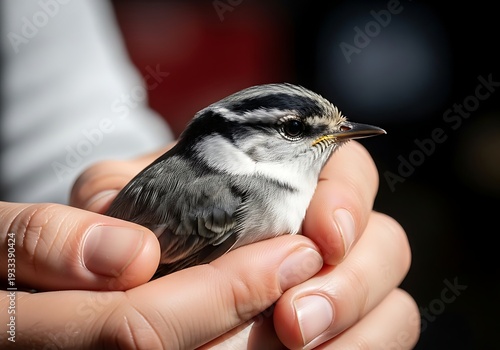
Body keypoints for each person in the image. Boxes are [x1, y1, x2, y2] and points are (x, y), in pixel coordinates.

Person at [1, 1, 420, 349]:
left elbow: (55, 132)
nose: (335, 138)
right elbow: (113, 298)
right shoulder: (228, 196)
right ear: (233, 139)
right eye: (294, 129)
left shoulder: (289, 188)